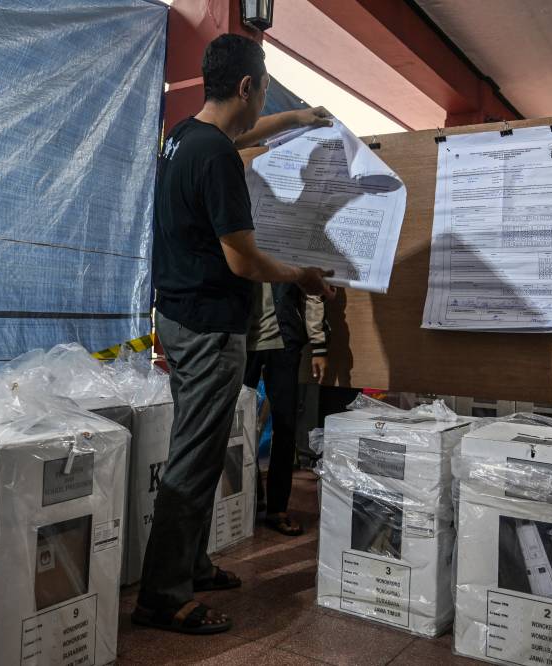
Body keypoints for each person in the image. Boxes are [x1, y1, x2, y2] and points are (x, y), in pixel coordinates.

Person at [133, 34, 335, 636]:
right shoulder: (216, 158)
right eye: (266, 89)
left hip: (178, 316)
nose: (264, 99)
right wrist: (300, 275)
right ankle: (162, 596)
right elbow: (244, 262)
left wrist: (300, 117)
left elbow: (241, 135)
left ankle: (192, 565)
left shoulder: (183, 139)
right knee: (195, 458)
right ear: (246, 86)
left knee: (201, 444)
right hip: (209, 326)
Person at [244, 285, 326, 536]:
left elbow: (313, 293)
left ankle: (277, 508)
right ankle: (249, 496)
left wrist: (319, 343)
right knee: (237, 425)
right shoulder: (238, 245)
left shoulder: (291, 246)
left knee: (285, 425)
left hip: (284, 342)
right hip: (241, 341)